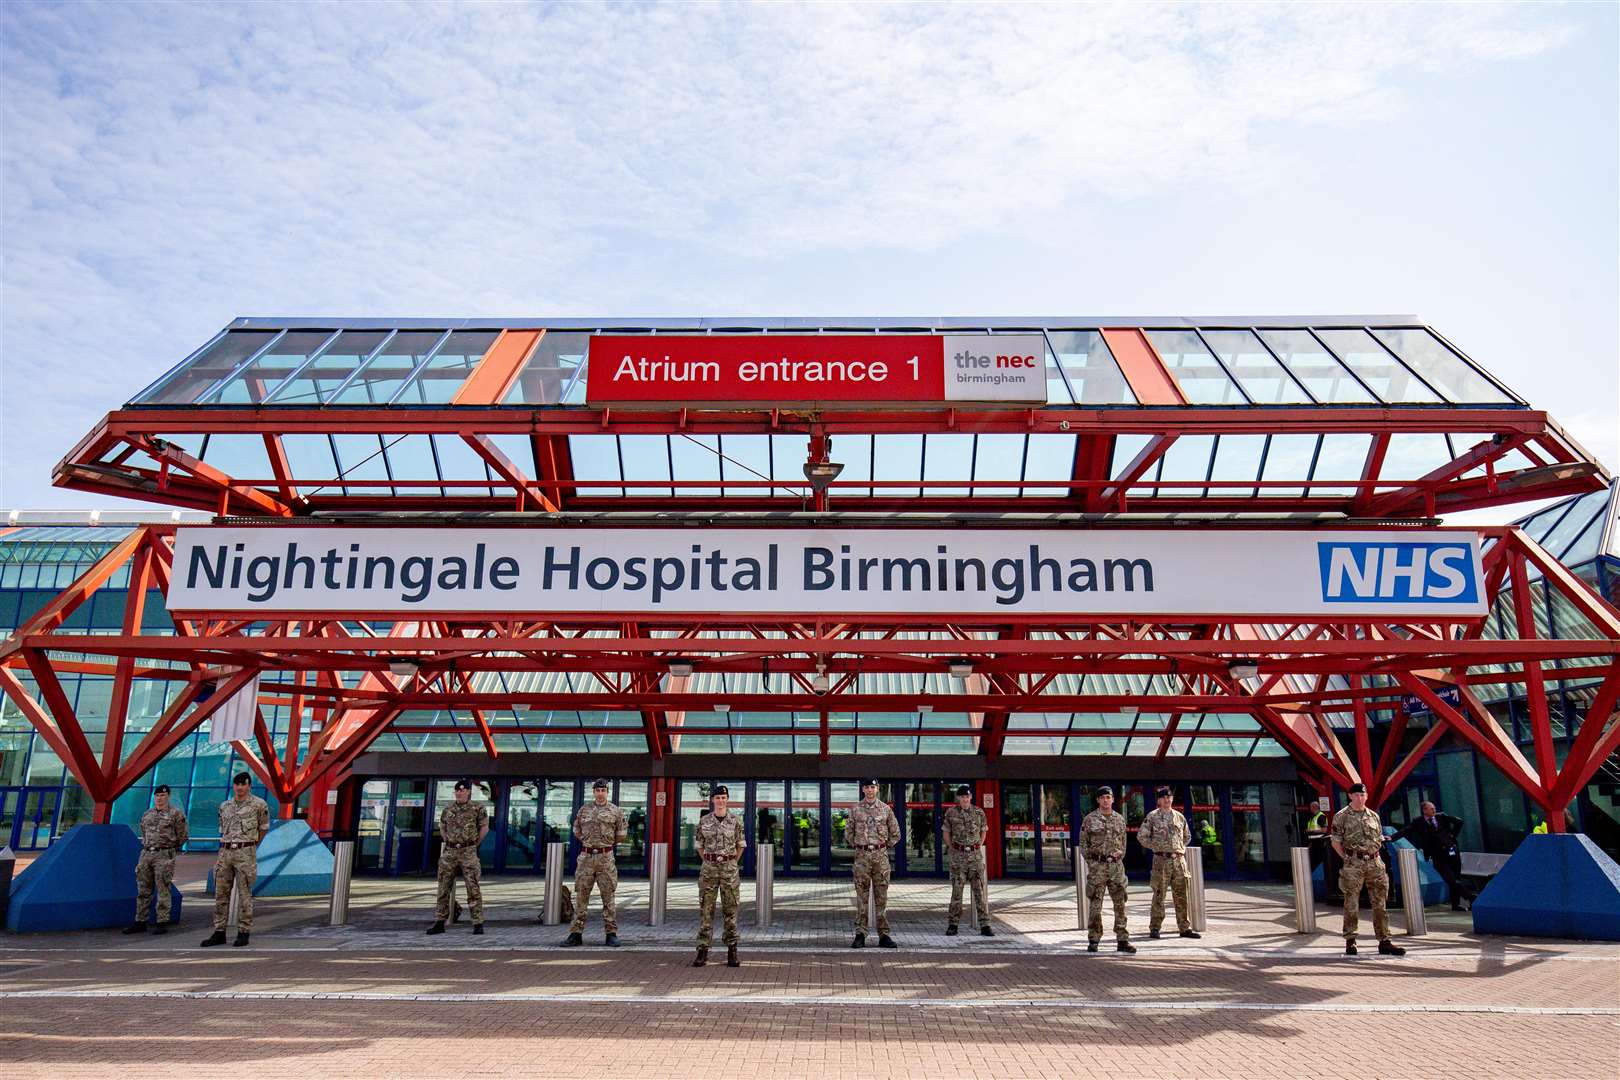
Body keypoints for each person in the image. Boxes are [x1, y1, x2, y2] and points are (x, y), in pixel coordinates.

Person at [1330, 783, 1404, 957]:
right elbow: (1335, 842)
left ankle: (1384, 940)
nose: (1359, 798)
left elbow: (1378, 837)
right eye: (1356, 795)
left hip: (1374, 862)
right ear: (1350, 796)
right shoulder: (1341, 816)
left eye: (1362, 795)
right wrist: (1346, 858)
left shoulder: (1374, 816)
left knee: (1380, 903)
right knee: (1351, 903)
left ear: (1367, 796)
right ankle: (1351, 940)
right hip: (1353, 863)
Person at [201, 772, 270, 948]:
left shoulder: (259, 805)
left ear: (249, 786)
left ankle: (244, 931)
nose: (239, 787)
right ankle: (219, 931)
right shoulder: (225, 806)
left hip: (245, 853)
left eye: (243, 784)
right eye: (237, 784)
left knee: (244, 893)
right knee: (220, 894)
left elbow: (263, 828)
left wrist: (251, 845)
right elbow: (222, 829)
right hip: (225, 853)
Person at [563, 779, 628, 946]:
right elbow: (576, 829)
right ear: (593, 791)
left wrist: (605, 843)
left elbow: (621, 834)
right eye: (597, 790)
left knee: (608, 896)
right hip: (586, 858)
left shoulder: (615, 811)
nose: (600, 793)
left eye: (603, 790)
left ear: (607, 792)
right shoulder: (584, 810)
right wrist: (587, 840)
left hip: (605, 858)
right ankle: (576, 934)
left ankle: (611, 933)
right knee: (581, 896)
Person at [124, 784, 188, 935]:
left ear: (168, 796)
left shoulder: (175, 814)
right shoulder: (147, 814)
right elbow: (143, 832)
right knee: (143, 889)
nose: (159, 798)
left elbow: (183, 836)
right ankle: (140, 921)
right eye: (157, 796)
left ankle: (162, 921)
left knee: (163, 888)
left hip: (164, 855)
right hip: (146, 854)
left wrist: (169, 848)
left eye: (163, 795)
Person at [692, 785, 745, 968]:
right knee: (706, 910)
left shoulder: (735, 821)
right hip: (709, 870)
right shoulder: (704, 821)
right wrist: (709, 860)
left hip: (729, 870)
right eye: (718, 797)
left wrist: (731, 862)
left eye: (724, 797)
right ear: (713, 800)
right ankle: (702, 950)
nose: (721, 801)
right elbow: (699, 845)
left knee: (730, 910)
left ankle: (732, 950)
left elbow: (741, 846)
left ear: (727, 799)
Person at [1137, 786, 1200, 940]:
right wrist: (1156, 847)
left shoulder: (1179, 817)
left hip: (1179, 861)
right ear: (1159, 800)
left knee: (1182, 895)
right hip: (1161, 861)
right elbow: (1142, 836)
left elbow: (1187, 836)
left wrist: (1179, 849)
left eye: (1169, 796)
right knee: (1159, 895)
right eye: (1163, 797)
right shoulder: (1152, 817)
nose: (1167, 799)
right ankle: (1155, 927)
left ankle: (1184, 928)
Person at [427, 780, 489, 936]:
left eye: (463, 790)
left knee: (472, 887)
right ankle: (440, 922)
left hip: (468, 851)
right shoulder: (448, 809)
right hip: (450, 852)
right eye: (457, 790)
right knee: (443, 888)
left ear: (468, 791)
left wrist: (475, 844)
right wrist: (448, 841)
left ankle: (477, 923)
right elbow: (442, 827)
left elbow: (484, 827)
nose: (459, 793)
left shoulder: (477, 808)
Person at [845, 778, 900, 948]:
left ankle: (884, 935)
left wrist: (882, 847)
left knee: (881, 897)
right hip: (862, 858)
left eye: (873, 787)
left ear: (877, 789)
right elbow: (848, 832)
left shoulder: (885, 809)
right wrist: (860, 846)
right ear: (863, 789)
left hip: (880, 858)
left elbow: (896, 833)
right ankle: (860, 934)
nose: (870, 790)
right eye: (867, 787)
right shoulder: (855, 809)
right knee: (862, 897)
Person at [1389, 801, 1474, 911]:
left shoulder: (1442, 817)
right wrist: (1392, 838)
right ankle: (1471, 897)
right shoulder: (1418, 822)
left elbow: (1459, 822)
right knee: (1451, 879)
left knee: (1456, 879)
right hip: (1437, 855)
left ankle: (1456, 905)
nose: (1434, 810)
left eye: (1434, 808)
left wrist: (1453, 835)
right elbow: (1406, 830)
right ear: (1424, 810)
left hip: (1451, 852)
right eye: (1431, 809)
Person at [1080, 786, 1135, 953]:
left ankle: (1122, 939)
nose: (1105, 800)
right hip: (1098, 868)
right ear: (1098, 800)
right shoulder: (1089, 820)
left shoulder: (1119, 819)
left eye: (1108, 797)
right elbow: (1083, 845)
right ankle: (1094, 939)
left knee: (1120, 904)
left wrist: (1120, 855)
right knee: (1096, 904)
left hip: (1116, 868)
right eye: (1102, 797)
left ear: (1112, 799)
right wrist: (1093, 863)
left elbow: (1123, 843)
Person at [942, 785, 991, 937]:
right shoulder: (951, 812)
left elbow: (984, 831)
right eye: (962, 797)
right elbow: (946, 833)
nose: (965, 799)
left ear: (970, 797)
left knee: (980, 892)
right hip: (959, 857)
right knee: (957, 892)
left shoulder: (979, 812)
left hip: (975, 857)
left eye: (967, 796)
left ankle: (985, 925)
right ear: (958, 798)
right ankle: (953, 925)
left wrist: (978, 846)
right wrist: (954, 848)